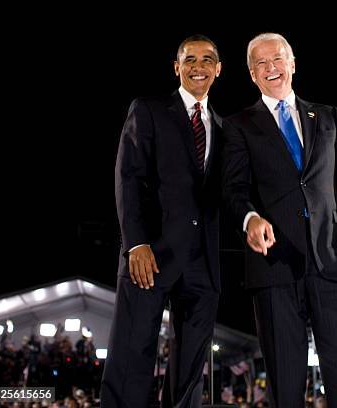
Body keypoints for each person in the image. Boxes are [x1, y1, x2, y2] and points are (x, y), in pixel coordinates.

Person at [222, 33, 337, 407]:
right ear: (252, 74)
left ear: (292, 64)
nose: (271, 67)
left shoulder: (327, 115)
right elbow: (233, 189)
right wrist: (250, 218)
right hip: (274, 266)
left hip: (332, 262)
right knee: (285, 380)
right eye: (261, 63)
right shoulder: (238, 125)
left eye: (277, 59)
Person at [101, 34, 223, 408]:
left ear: (218, 70)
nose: (197, 67)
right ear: (176, 67)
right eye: (189, 60)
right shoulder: (148, 110)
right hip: (150, 255)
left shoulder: (224, 126)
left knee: (190, 371)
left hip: (202, 264)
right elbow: (128, 177)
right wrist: (135, 243)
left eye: (206, 60)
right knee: (131, 356)